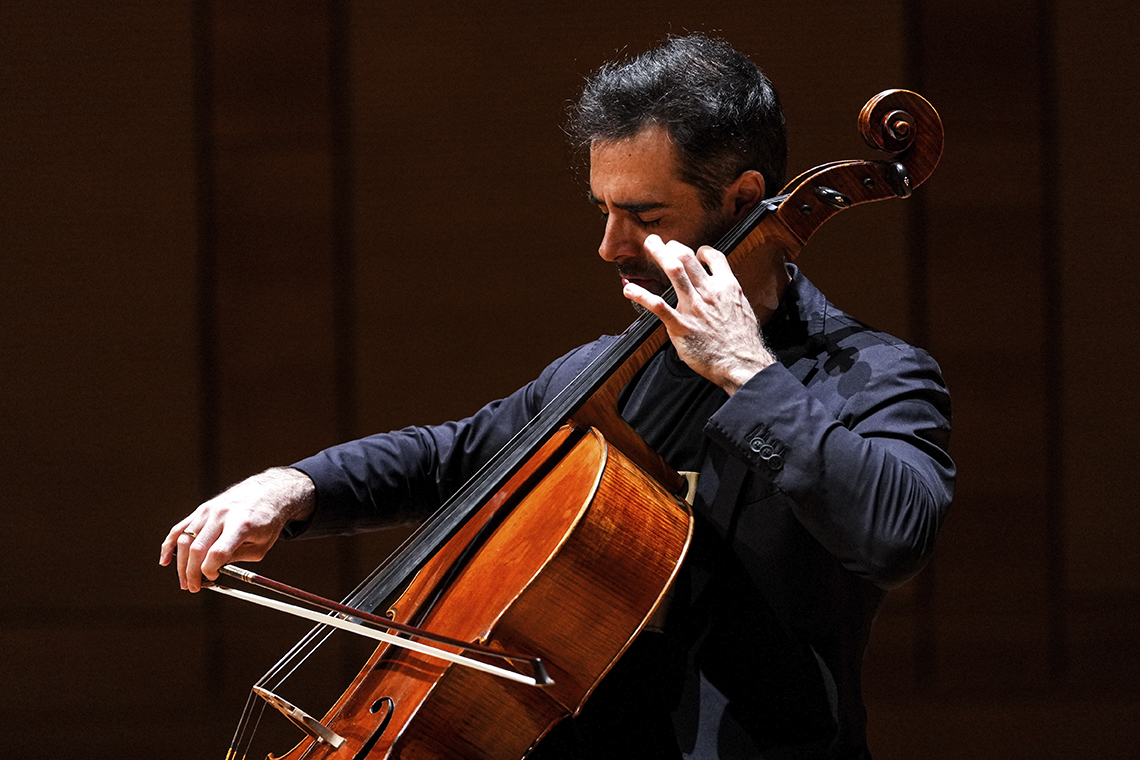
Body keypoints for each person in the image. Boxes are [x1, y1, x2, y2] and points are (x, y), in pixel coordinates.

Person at [161, 34, 954, 759]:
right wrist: (290, 487)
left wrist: (748, 372)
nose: (609, 246)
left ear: (743, 201)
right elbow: (451, 457)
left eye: (643, 216)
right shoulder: (609, 371)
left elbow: (895, 533)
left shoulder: (873, 374)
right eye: (603, 211)